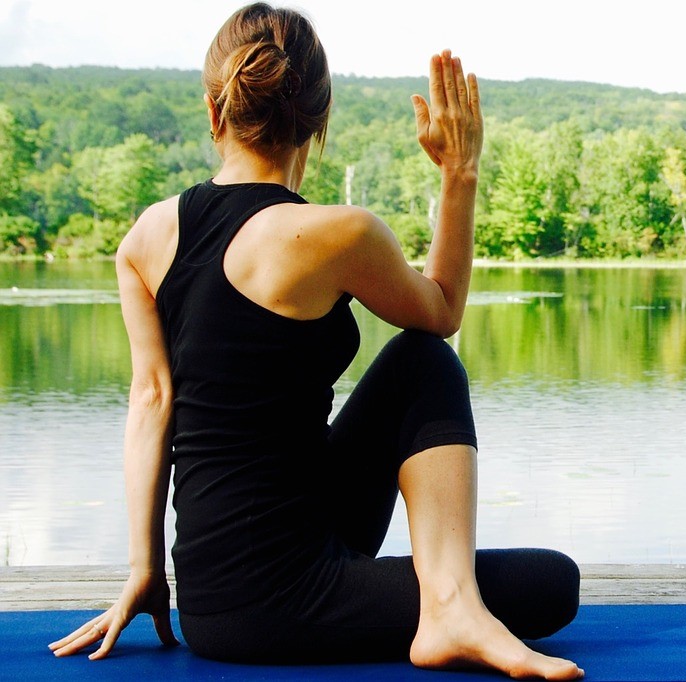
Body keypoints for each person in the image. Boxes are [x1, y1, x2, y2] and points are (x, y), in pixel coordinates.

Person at [48, 4, 583, 679]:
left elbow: (152, 403)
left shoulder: (146, 239)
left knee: (418, 362)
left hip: (211, 603)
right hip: (279, 604)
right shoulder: (338, 235)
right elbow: (442, 310)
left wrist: (146, 569)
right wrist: (460, 174)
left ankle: (450, 604)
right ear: (319, 121)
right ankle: (449, 606)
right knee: (549, 582)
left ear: (215, 113)